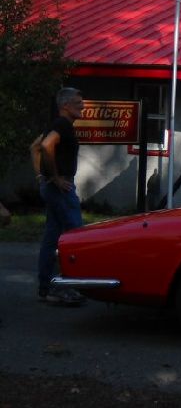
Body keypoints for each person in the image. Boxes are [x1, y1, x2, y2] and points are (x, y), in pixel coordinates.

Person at [32, 87, 87, 305]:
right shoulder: (62, 125)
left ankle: (47, 287)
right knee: (74, 237)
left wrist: (41, 177)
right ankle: (61, 287)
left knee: (52, 238)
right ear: (65, 106)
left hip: (53, 187)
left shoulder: (57, 125)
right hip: (60, 188)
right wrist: (54, 178)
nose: (82, 106)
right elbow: (45, 146)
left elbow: (34, 147)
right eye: (77, 103)